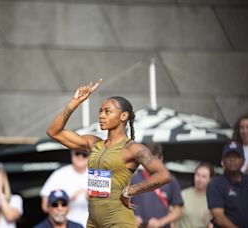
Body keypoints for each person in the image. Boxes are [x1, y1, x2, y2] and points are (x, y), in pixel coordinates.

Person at [46, 80, 171, 227]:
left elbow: (164, 175)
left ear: (123, 116)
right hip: (93, 221)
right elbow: (53, 132)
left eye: (107, 111)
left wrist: (130, 191)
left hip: (119, 221)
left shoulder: (132, 148)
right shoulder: (93, 143)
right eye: (100, 111)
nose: (101, 116)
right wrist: (75, 102)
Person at [207, 141, 248, 228]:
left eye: (236, 156)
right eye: (229, 156)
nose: (232, 160)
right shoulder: (215, 184)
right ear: (223, 161)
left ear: (243, 160)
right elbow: (218, 217)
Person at [131, 142, 183, 228]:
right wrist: (132, 217)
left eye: (153, 161)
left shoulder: (170, 179)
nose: (149, 165)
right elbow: (122, 205)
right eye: (147, 161)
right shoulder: (133, 178)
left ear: (161, 158)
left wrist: (160, 222)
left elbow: (178, 211)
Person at [40, 150, 89, 227]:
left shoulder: (97, 175)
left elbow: (110, 206)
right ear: (71, 154)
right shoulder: (59, 174)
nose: (80, 156)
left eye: (85, 154)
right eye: (77, 153)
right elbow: (45, 206)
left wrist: (93, 200)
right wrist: (66, 201)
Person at [175, 162, 214, 228]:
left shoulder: (213, 200)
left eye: (204, 176)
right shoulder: (182, 195)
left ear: (210, 180)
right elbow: (171, 218)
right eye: (197, 175)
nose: (199, 179)